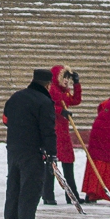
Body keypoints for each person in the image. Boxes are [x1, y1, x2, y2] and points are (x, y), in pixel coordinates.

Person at [3, 69, 56, 219]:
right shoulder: (44, 102)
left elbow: (5, 120)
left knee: (14, 190)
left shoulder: (16, 97)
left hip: (13, 149)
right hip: (33, 152)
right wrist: (52, 153)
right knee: (30, 192)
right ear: (48, 85)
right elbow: (48, 130)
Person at [41, 65, 83, 205]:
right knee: (52, 163)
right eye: (64, 78)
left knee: (68, 161)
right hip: (52, 130)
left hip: (63, 132)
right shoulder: (50, 89)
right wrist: (61, 111)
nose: (66, 81)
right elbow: (47, 105)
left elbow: (76, 100)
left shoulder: (65, 92)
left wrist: (77, 84)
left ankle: (72, 194)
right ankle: (48, 194)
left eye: (68, 78)